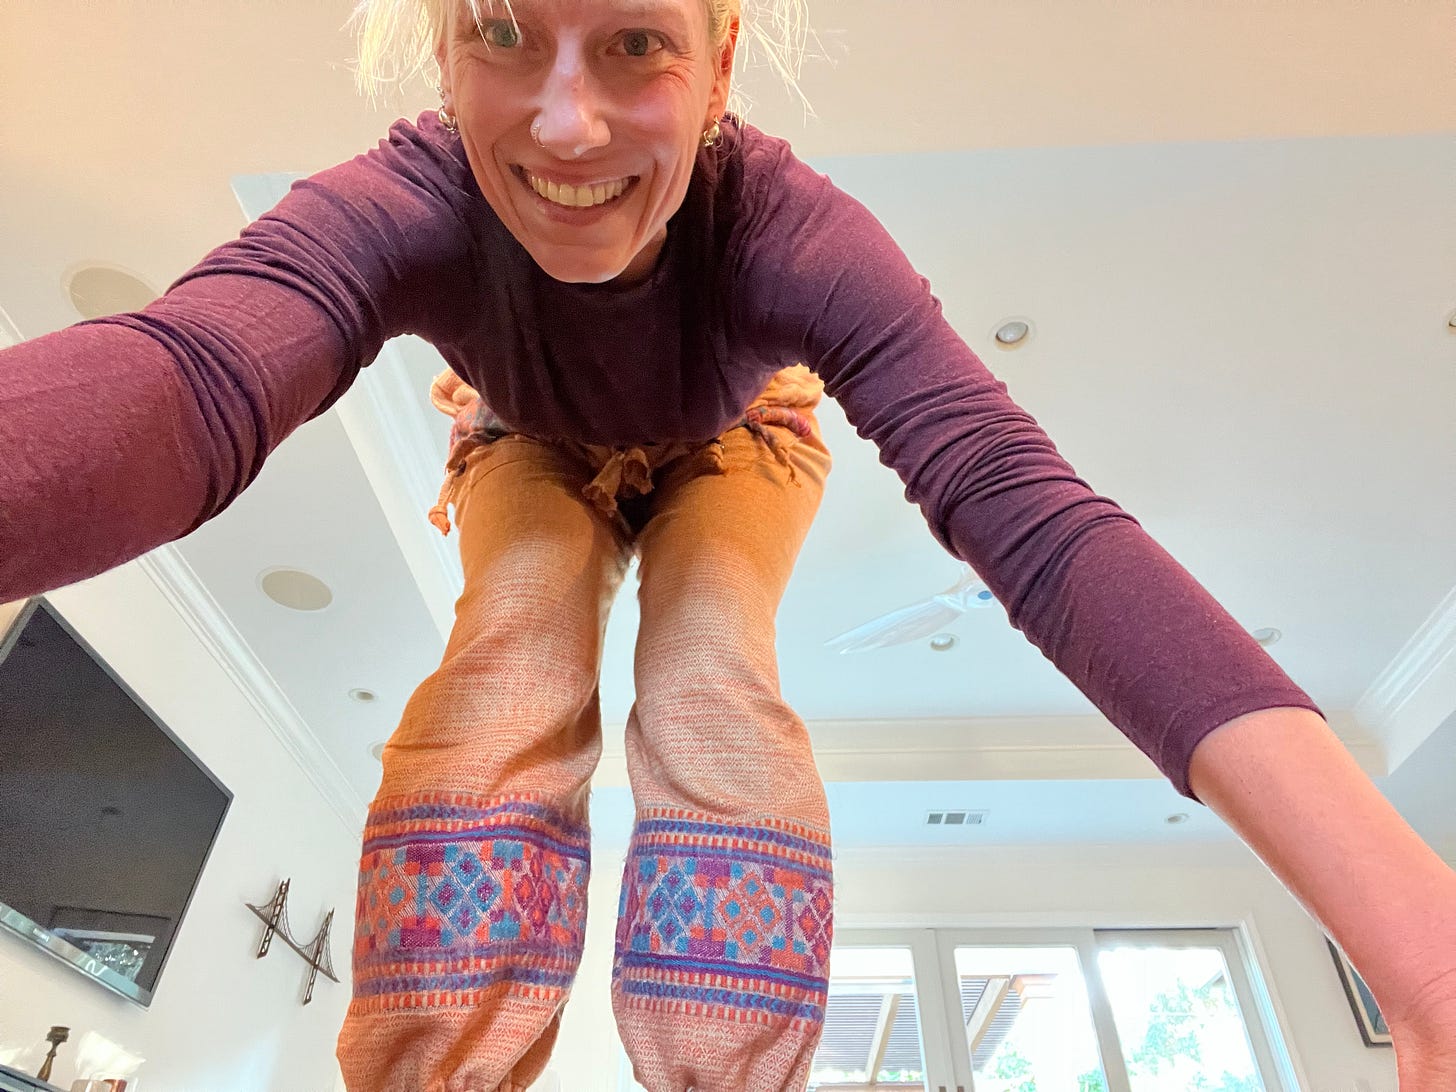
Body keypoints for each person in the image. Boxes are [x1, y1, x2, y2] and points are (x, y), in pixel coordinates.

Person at [1, 0, 1453, 1088]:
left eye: (636, 43)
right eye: (504, 33)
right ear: (442, 53)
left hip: (743, 438)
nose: (568, 127)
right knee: (513, 653)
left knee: (707, 673)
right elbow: (194, 377)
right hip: (519, 441)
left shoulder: (789, 230)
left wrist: (1425, 965)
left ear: (721, 62)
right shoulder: (408, 198)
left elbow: (1031, 514)